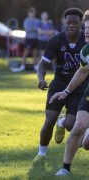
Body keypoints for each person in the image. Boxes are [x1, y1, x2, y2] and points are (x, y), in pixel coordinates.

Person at [33, 8, 87, 163]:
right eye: (68, 22)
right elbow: (43, 64)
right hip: (59, 84)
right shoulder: (56, 40)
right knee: (49, 119)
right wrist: (41, 78)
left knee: (71, 125)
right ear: (64, 22)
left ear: (81, 24)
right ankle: (41, 154)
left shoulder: (86, 39)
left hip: (80, 86)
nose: (71, 25)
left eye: (75, 23)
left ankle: (62, 122)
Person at [50, 10, 89, 176]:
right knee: (78, 126)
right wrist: (66, 92)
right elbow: (82, 72)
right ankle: (65, 168)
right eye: (86, 27)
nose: (86, 31)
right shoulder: (86, 51)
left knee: (87, 144)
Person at [12, 7, 40, 72]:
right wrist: (35, 29)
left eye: (32, 13)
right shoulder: (26, 20)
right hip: (29, 38)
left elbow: (38, 29)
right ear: (28, 13)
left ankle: (36, 66)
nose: (31, 14)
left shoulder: (37, 20)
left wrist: (34, 29)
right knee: (26, 52)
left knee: (35, 53)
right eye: (30, 13)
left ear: (34, 13)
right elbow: (28, 29)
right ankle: (22, 66)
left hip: (35, 38)